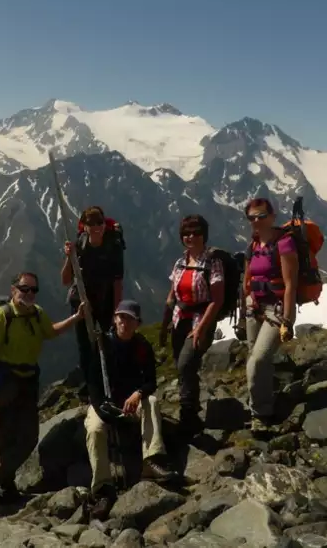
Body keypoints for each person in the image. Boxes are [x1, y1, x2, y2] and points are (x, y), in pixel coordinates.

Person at [0, 272, 85, 503]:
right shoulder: (2, 316)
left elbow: (51, 332)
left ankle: (1, 480)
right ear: (14, 290)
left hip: (27, 381)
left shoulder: (36, 313)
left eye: (34, 290)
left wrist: (77, 317)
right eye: (24, 289)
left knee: (22, 436)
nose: (30, 294)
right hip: (6, 382)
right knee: (11, 436)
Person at [84, 300, 176, 520]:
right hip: (103, 403)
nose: (124, 322)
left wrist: (137, 394)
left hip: (130, 403)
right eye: (121, 317)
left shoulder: (142, 346)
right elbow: (92, 383)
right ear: (115, 319)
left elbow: (150, 381)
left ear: (137, 323)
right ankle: (102, 488)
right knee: (95, 429)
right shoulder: (101, 345)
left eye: (129, 318)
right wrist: (102, 410)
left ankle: (151, 460)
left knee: (151, 402)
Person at [159, 215, 224, 435]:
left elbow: (217, 299)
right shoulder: (180, 262)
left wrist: (202, 328)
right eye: (186, 233)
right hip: (180, 320)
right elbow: (172, 294)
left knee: (186, 364)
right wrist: (165, 323)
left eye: (195, 232)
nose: (191, 237)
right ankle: (191, 409)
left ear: (204, 234)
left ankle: (188, 416)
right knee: (182, 366)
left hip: (200, 321)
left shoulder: (212, 262)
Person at [242, 198, 298, 432]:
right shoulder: (254, 244)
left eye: (261, 216)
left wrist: (288, 318)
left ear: (273, 216)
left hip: (275, 309)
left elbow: (290, 283)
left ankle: (261, 413)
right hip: (253, 308)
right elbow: (248, 279)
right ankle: (264, 398)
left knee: (258, 360)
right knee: (254, 357)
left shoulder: (284, 243)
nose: (256, 221)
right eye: (252, 217)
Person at [61, 206, 125, 394]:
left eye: (100, 222)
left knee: (108, 339)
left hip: (105, 300)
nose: (97, 227)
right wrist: (69, 258)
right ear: (84, 226)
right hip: (81, 301)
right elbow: (65, 280)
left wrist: (116, 311)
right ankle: (91, 385)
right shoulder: (79, 245)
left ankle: (111, 381)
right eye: (92, 223)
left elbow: (118, 282)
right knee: (84, 344)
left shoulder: (113, 246)